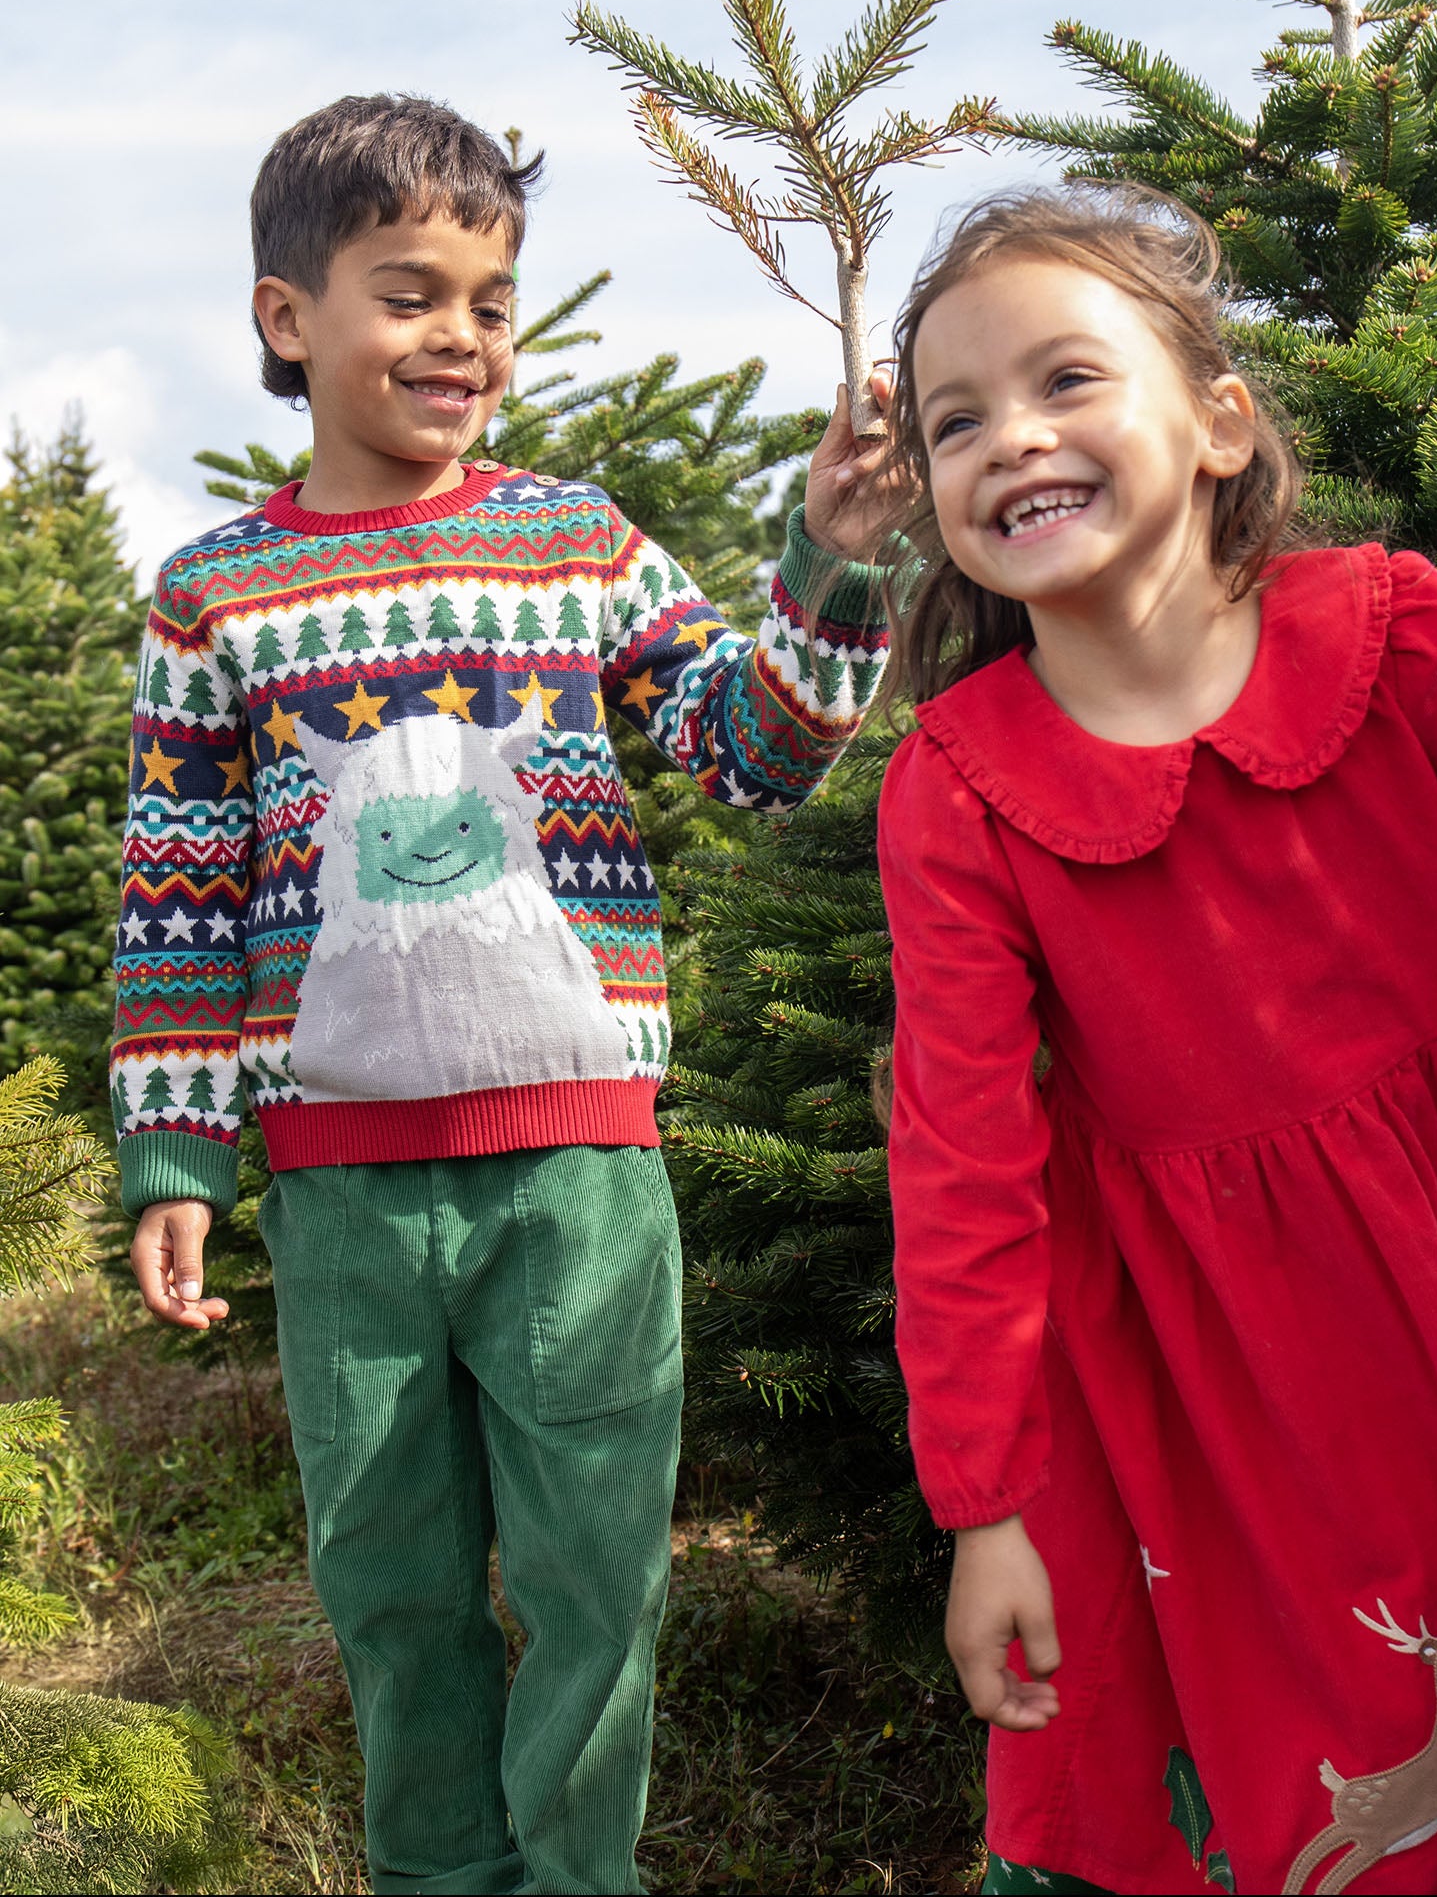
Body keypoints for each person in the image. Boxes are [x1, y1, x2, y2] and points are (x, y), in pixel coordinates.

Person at [113, 92, 891, 1896]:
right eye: (408, 295)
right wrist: (179, 1156)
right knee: (389, 1590)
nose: (458, 335)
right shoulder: (213, 596)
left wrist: (833, 557)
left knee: (594, 1583)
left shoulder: (577, 543)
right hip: (341, 1192)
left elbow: (752, 753)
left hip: (577, 1178)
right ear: (287, 317)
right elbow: (175, 893)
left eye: (489, 301)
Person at [873, 184, 1437, 1895]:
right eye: (955, 421)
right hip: (1187, 1366)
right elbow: (960, 1167)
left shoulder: (1394, 635)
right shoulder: (955, 789)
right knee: (1263, 1754)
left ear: (1219, 424)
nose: (1009, 437)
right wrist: (985, 1509)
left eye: (1064, 380)